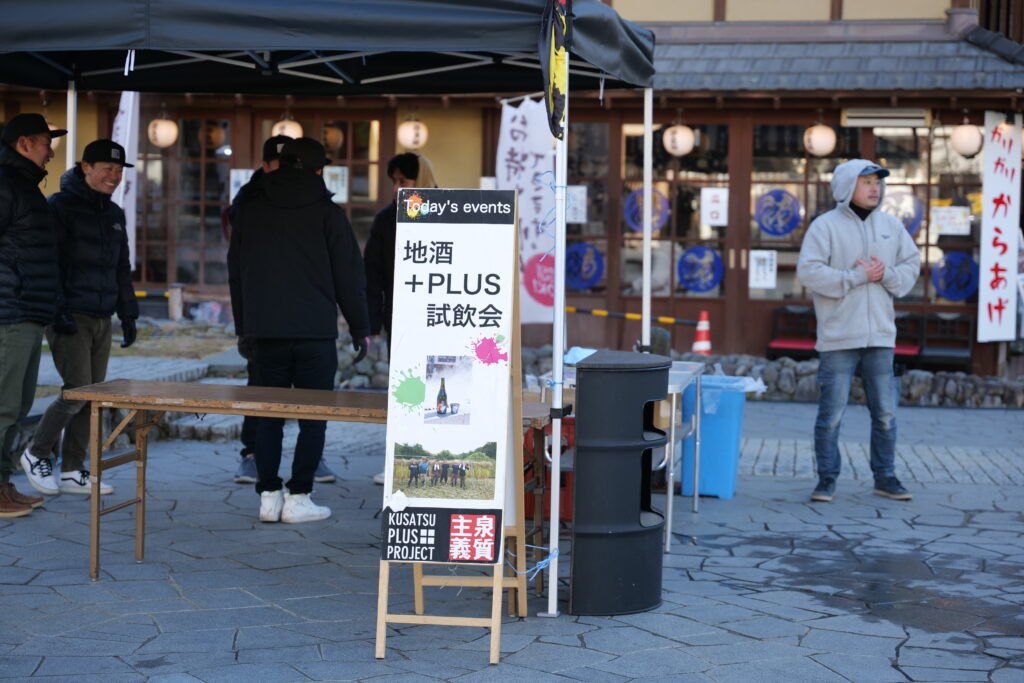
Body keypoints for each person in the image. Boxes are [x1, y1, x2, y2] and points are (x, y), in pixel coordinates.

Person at [228, 137, 370, 524]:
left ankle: (269, 496)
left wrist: (246, 328)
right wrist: (361, 327)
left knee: (269, 415)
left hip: (265, 332)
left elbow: (236, 275)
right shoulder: (328, 213)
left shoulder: (250, 209)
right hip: (314, 333)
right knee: (313, 416)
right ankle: (299, 496)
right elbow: (349, 275)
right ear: (317, 170)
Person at [20, 139, 139, 497]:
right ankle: (35, 451)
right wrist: (57, 311)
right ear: (85, 167)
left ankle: (73, 470)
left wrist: (128, 314)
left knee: (94, 396)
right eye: (107, 169)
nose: (114, 176)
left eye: (119, 171)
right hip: (70, 314)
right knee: (77, 392)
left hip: (102, 315)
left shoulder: (114, 213)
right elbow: (48, 263)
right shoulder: (59, 207)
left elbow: (122, 269)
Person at [797, 159, 920, 503]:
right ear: (846, 185)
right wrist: (855, 277)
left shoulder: (892, 226)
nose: (874, 188)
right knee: (831, 415)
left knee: (885, 414)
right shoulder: (825, 227)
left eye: (877, 182)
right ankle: (826, 480)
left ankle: (885, 477)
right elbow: (808, 272)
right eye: (866, 181)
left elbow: (912, 266)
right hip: (838, 338)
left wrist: (885, 276)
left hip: (881, 336)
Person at [227, 134, 332, 486]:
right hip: (266, 320)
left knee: (299, 407)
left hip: (296, 320)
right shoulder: (251, 201)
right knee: (263, 399)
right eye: (274, 164)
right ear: (266, 164)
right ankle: (253, 456)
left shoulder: (314, 205)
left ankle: (293, 473)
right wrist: (244, 325)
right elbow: (238, 269)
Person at [0, 113, 66, 516]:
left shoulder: (23, 186)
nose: (51, 150)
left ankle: (4, 484)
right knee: (4, 405)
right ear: (23, 144)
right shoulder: (6, 185)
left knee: (19, 405)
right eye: (45, 141)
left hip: (28, 310)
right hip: (10, 310)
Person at [364, 153, 438, 486]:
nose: (397, 189)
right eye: (393, 182)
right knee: (406, 392)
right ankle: (400, 459)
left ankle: (437, 459)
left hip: (441, 320)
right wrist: (372, 322)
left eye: (403, 181)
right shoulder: (385, 219)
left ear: (419, 180)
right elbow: (373, 275)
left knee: (439, 392)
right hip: (402, 319)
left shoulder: (449, 212)